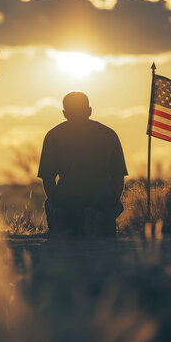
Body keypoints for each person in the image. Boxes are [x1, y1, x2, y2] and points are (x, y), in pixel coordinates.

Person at [38, 91, 128, 236]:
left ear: (64, 113)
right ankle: (98, 218)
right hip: (100, 197)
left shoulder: (53, 136)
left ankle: (62, 217)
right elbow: (118, 177)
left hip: (66, 197)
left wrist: (56, 201)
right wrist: (111, 201)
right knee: (115, 207)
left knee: (51, 205)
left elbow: (47, 179)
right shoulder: (109, 134)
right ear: (89, 111)